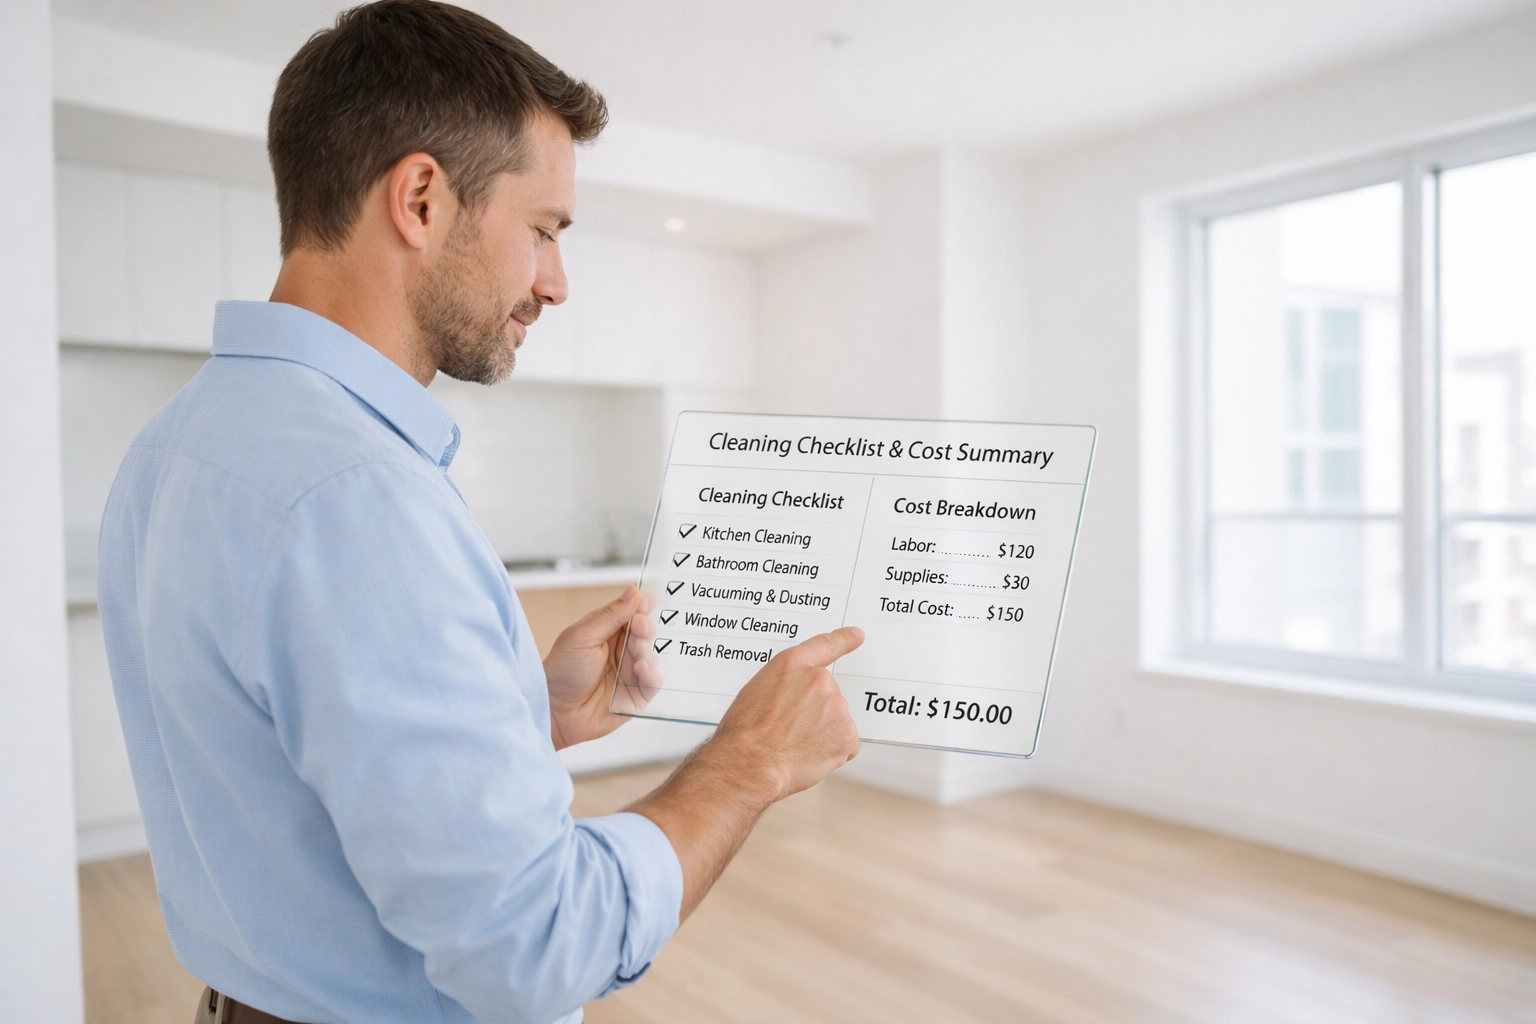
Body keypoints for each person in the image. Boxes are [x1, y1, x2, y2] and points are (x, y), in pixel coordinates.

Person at [95, 3, 863, 1023]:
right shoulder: (355, 494)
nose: (556, 282)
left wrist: (517, 716)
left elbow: (282, 765)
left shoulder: (176, 443)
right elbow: (539, 942)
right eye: (543, 229)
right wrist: (749, 759)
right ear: (420, 198)